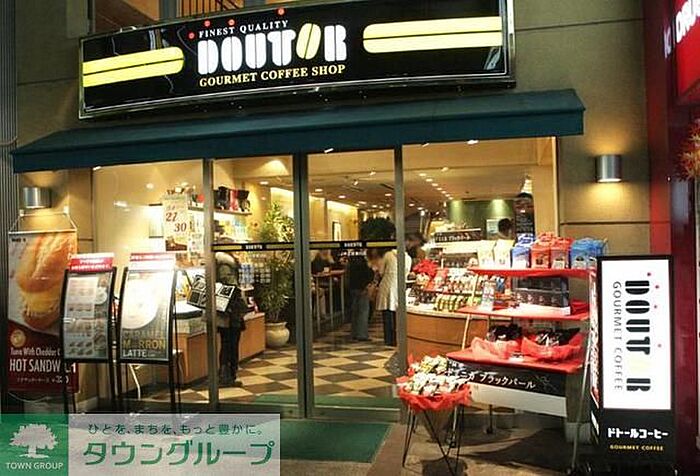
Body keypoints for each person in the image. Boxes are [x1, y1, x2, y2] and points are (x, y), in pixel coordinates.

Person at [215, 252, 248, 387]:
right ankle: (227, 376)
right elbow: (232, 288)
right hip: (230, 314)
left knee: (227, 344)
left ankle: (226, 375)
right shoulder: (226, 266)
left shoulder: (220, 264)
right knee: (231, 345)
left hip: (225, 313)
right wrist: (241, 305)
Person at [374, 248, 412, 346]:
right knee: (398, 315)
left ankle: (388, 339)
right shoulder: (408, 258)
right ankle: (397, 338)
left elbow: (381, 271)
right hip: (399, 286)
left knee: (387, 314)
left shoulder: (388, 255)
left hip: (387, 285)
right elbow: (406, 273)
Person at [345, 252, 375, 341]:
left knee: (355, 311)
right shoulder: (364, 263)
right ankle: (362, 334)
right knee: (363, 312)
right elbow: (369, 274)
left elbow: (347, 277)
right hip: (363, 288)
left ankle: (354, 333)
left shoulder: (350, 263)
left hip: (353, 288)